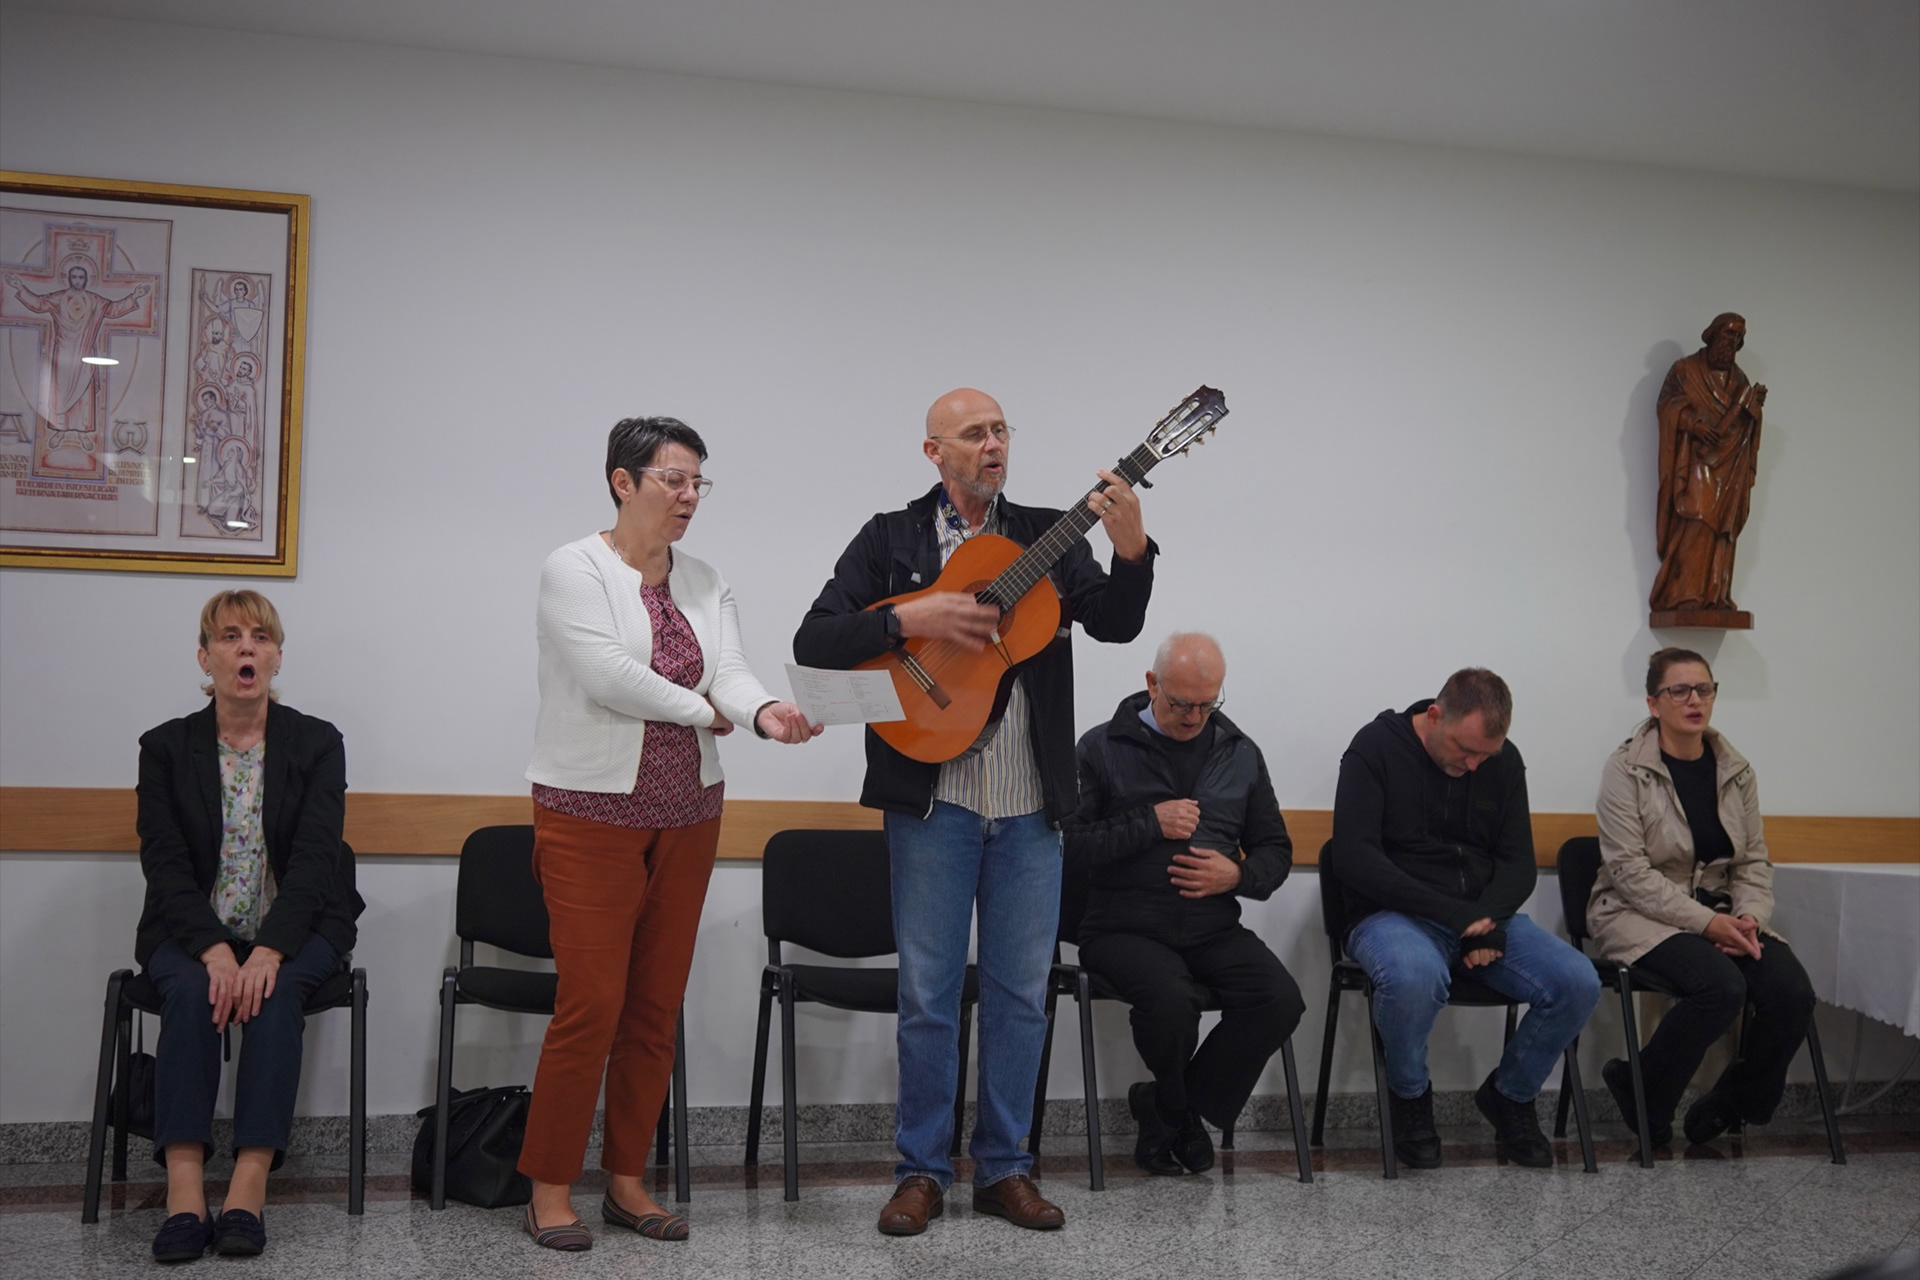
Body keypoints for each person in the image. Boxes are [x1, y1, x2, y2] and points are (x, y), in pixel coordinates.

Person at [794, 387, 1155, 1235]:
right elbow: (817, 640)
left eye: (1000, 430)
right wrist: (908, 618)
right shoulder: (891, 539)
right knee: (928, 996)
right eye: (973, 433)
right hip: (933, 803)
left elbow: (1116, 625)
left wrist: (1132, 549)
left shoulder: (1049, 536)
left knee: (1020, 996)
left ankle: (1005, 1168)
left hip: (1031, 805)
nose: (993, 444)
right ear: (935, 453)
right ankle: (920, 1171)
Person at [519, 415, 818, 1251]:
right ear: (624, 482)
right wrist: (710, 712)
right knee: (591, 1005)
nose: (689, 497)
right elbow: (610, 675)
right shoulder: (573, 568)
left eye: (698, 483)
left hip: (687, 814)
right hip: (588, 813)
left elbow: (730, 670)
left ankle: (625, 1181)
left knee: (654, 1007)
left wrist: (764, 712)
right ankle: (549, 1189)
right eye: (674, 480)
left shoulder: (705, 579)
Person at [134, 590, 363, 1263]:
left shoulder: (317, 743)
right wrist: (213, 949)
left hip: (298, 925)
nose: (246, 648)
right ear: (205, 658)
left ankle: (247, 1188)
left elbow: (317, 860)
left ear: (277, 658)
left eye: (260, 637)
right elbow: (165, 862)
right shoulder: (165, 747)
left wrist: (268, 950)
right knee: (191, 990)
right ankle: (183, 1192)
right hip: (188, 929)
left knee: (274, 992)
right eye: (230, 636)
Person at [1330, 668, 1599, 1170]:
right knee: (1413, 976)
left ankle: (1510, 1096)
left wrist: (1486, 921)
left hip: (1480, 916)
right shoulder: (1375, 748)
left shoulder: (1502, 761)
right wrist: (1458, 917)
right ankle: (1409, 1097)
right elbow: (1354, 858)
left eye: (1485, 756)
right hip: (1392, 914)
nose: (1474, 765)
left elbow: (1518, 862)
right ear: (1434, 716)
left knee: (1577, 981)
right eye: (1465, 749)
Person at [1064, 632, 1303, 1175]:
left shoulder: (1240, 752)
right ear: (1152, 684)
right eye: (1181, 704)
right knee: (1172, 1001)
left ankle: (1168, 1108)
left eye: (1207, 704)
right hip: (1122, 927)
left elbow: (1276, 851)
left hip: (1211, 926)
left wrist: (1237, 874)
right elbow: (1066, 847)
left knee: (1279, 999)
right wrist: (1149, 823)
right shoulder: (1101, 747)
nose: (1194, 717)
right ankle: (1179, 1114)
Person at [1590, 648, 1814, 1148]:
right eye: (1679, 690)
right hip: (1636, 912)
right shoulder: (1625, 770)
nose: (1694, 700)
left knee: (1791, 993)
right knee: (1721, 987)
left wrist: (1749, 917)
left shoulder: (1736, 770)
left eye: (1704, 689)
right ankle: (1646, 1092)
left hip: (1723, 912)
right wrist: (1706, 924)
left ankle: (1731, 1102)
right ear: (1653, 703)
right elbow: (1629, 873)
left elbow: (1751, 863)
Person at [1651, 313, 1766, 614]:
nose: (1733, 341)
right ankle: (1683, 594)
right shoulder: (1685, 371)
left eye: (1739, 337)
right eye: (1728, 334)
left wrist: (1753, 409)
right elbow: (1666, 407)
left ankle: (1715, 595)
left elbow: (1743, 425)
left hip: (1730, 467)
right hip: (1697, 462)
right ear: (1713, 334)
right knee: (1697, 519)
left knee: (1723, 530)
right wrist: (1694, 424)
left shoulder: (1739, 380)